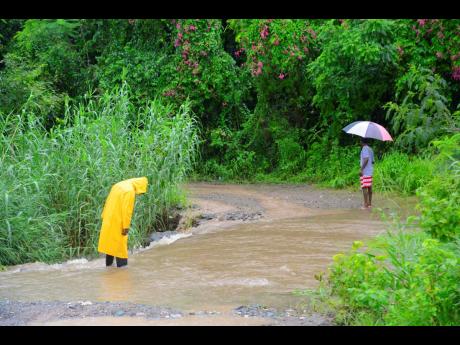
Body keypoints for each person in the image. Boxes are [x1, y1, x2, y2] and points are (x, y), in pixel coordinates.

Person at [98, 177, 148, 267]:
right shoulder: (129, 191)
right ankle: (122, 272)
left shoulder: (118, 185)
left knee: (111, 246)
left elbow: (108, 201)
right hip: (118, 221)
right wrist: (126, 226)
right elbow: (127, 211)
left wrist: (104, 215)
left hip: (108, 218)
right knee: (121, 249)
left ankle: (109, 269)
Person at [359, 138, 374, 209]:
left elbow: (366, 159)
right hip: (370, 170)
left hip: (365, 171)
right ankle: (369, 204)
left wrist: (361, 169)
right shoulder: (371, 149)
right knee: (369, 187)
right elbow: (373, 161)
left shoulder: (364, 148)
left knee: (364, 187)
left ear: (362, 142)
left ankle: (365, 204)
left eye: (360, 141)